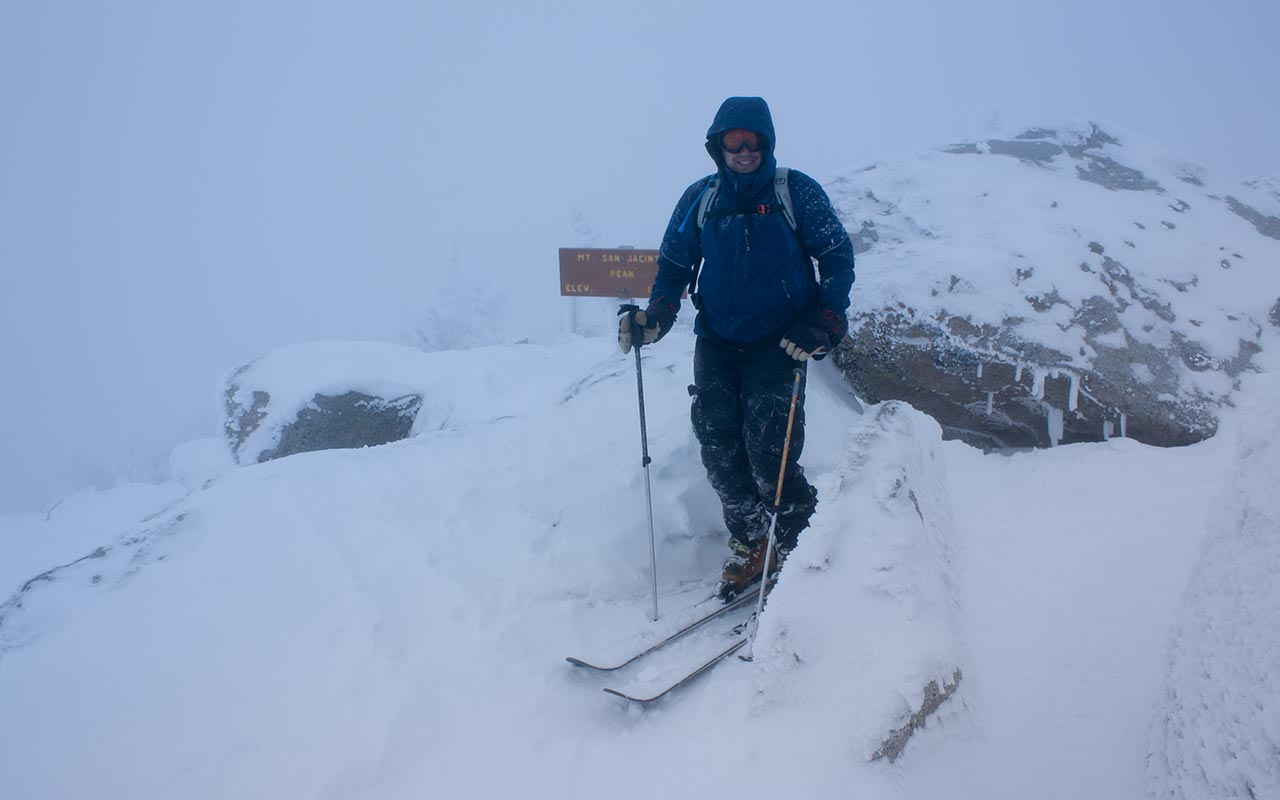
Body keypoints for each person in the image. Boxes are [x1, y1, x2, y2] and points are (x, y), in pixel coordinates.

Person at [618, 96, 855, 601]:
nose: (744, 150)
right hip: (718, 339)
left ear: (767, 143)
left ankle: (798, 542)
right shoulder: (700, 198)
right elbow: (675, 264)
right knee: (719, 449)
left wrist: (827, 320)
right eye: (734, 140)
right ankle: (753, 542)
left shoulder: (797, 191)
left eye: (753, 140)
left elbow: (836, 257)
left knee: (772, 450)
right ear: (717, 145)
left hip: (783, 340)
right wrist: (657, 315)